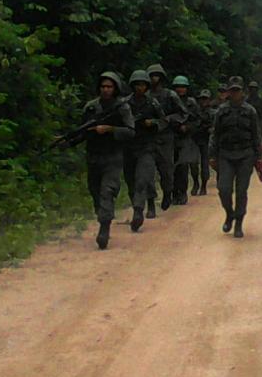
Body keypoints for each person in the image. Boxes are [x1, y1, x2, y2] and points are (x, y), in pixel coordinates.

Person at [77, 72, 135, 250]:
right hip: (94, 156)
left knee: (107, 191)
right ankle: (103, 215)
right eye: (103, 86)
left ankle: (104, 227)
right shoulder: (91, 107)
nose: (106, 90)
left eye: (109, 87)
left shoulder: (122, 108)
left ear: (115, 88)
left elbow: (130, 131)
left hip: (113, 156)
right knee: (95, 191)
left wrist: (110, 129)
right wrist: (67, 141)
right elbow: (82, 131)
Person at [209, 77, 262, 238]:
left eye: (237, 90)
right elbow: (215, 134)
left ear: (242, 92)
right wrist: (212, 155)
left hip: (246, 155)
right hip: (226, 154)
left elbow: (256, 135)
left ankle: (239, 222)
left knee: (241, 191)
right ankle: (229, 213)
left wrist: (258, 158)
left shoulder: (250, 111)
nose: (235, 93)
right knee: (224, 189)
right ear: (228, 92)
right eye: (232, 90)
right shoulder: (221, 111)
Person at [122, 70, 167, 231]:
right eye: (137, 85)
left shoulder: (152, 103)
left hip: (147, 147)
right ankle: (137, 205)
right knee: (130, 181)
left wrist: (152, 123)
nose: (140, 88)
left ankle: (138, 210)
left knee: (143, 179)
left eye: (142, 85)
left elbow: (163, 121)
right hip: (128, 147)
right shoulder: (124, 103)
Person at [148, 64, 188, 210]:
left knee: (166, 171)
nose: (154, 79)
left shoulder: (170, 95)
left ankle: (167, 192)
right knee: (146, 173)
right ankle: (150, 203)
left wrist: (168, 119)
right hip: (148, 138)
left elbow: (183, 113)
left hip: (165, 138)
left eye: (157, 75)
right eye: (151, 76)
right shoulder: (144, 96)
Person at [171, 75, 200, 205]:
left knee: (183, 166)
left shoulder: (191, 103)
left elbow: (198, 120)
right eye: (178, 87)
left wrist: (187, 127)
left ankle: (182, 192)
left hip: (186, 138)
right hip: (171, 137)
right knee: (170, 168)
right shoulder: (169, 100)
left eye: (183, 87)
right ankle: (173, 193)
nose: (180, 89)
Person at [191, 89, 215, 195]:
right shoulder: (195, 112)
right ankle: (196, 182)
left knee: (205, 165)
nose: (204, 101)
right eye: (202, 99)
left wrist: (211, 129)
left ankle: (203, 185)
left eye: (206, 99)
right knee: (193, 164)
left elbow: (216, 127)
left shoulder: (214, 113)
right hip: (195, 139)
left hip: (206, 140)